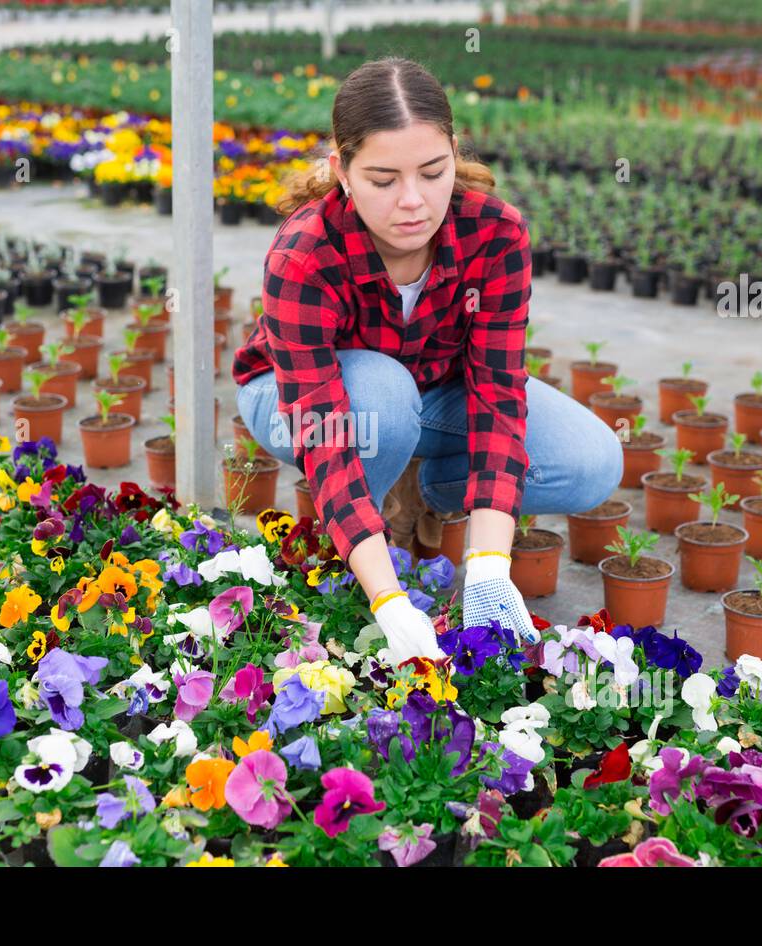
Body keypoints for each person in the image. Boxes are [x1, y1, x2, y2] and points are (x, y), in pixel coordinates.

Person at [231, 57, 622, 663]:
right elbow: (325, 433)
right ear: (342, 172)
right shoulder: (304, 254)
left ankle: (420, 492)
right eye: (383, 180)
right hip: (304, 402)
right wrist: (388, 600)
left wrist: (490, 566)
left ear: (453, 155)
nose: (412, 202)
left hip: (435, 392)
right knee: (382, 405)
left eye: (433, 173)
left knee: (590, 462)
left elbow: (497, 394)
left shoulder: (495, 234)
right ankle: (365, 554)